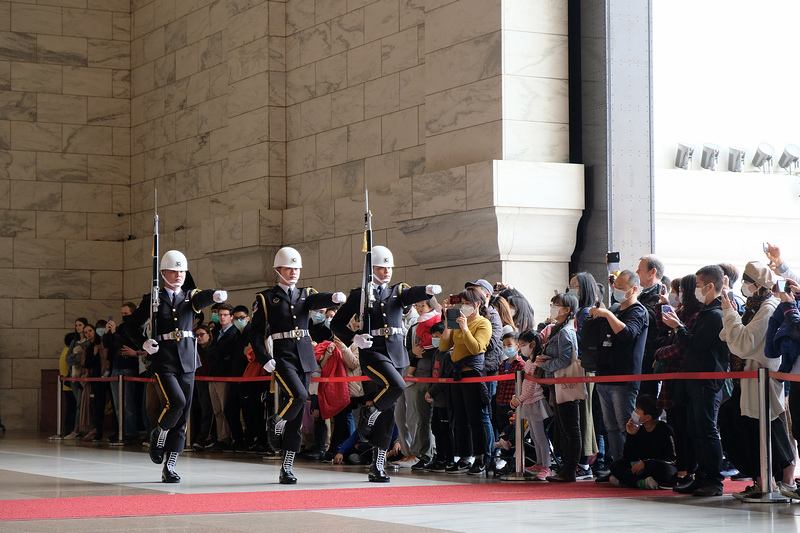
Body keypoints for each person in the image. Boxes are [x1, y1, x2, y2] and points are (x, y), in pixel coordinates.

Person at [330, 245, 440, 482]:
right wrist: (354, 338)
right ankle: (369, 412)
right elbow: (336, 323)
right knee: (397, 386)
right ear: (371, 270)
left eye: (389, 267)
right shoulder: (361, 295)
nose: (387, 271)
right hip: (374, 353)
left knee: (388, 414)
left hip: (397, 355)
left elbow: (411, 295)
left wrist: (427, 290)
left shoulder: (398, 291)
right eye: (381, 267)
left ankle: (377, 465)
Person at [124, 250, 227, 483]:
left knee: (183, 413)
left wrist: (216, 296)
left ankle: (170, 465)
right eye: (174, 271)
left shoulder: (191, 297)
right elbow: (130, 327)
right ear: (163, 273)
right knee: (176, 402)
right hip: (164, 360)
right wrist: (143, 343)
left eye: (182, 271)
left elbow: (204, 297)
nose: (179, 275)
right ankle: (159, 433)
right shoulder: (153, 297)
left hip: (188, 359)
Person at [249, 246, 345, 484]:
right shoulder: (265, 298)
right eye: (288, 268)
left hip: (304, 355)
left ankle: (287, 467)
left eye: (296, 269)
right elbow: (255, 333)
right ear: (278, 270)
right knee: (299, 396)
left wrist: (332, 298)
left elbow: (317, 299)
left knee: (297, 416)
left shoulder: (305, 294)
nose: (293, 272)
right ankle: (276, 421)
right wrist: (264, 358)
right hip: (282, 356)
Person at [718, 261, 793, 499]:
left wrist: (729, 313)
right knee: (744, 427)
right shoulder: (754, 306)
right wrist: (731, 314)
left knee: (768, 430)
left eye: (748, 283)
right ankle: (762, 480)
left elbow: (743, 343)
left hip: (762, 378)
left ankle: (777, 481)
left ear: (759, 285)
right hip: (748, 378)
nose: (744, 287)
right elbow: (730, 336)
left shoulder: (769, 307)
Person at [662, 265, 728, 497]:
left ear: (711, 286)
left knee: (706, 430)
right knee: (695, 429)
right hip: (693, 379)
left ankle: (714, 480)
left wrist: (678, 327)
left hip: (706, 380)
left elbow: (696, 345)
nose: (695, 291)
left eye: (699, 286)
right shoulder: (706, 312)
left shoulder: (716, 315)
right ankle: (701, 476)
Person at [589, 270, 648, 469]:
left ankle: (632, 464)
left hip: (624, 378)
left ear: (634, 289)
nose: (616, 291)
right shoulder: (616, 309)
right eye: (615, 287)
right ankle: (617, 465)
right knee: (610, 427)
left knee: (626, 426)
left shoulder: (638, 311)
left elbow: (627, 334)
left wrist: (607, 314)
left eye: (622, 288)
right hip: (605, 374)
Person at [438, 286, 492, 475]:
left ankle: (480, 456)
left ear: (478, 304)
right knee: (459, 417)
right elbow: (444, 346)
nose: (464, 306)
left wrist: (464, 328)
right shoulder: (457, 321)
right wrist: (447, 323)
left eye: (468, 303)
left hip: (473, 373)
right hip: (456, 373)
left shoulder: (483, 323)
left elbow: (477, 348)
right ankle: (465, 455)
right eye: (463, 303)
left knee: (474, 417)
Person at [538, 293, 582, 482]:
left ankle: (570, 469)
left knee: (571, 428)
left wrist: (544, 365)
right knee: (565, 427)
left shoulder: (565, 332)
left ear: (567, 310)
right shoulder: (558, 329)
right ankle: (566, 468)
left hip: (565, 381)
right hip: (557, 382)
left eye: (557, 305)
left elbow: (566, 359)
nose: (553, 307)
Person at [608, 394, 677, 489]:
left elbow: (672, 459)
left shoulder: (665, 430)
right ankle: (640, 482)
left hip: (658, 466)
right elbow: (629, 457)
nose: (634, 412)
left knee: (663, 469)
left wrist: (646, 463)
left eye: (637, 410)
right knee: (616, 464)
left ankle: (628, 481)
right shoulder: (640, 429)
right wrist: (631, 435)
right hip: (642, 467)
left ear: (648, 417)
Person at [509, 329, 552, 480]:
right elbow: (525, 385)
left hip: (535, 401)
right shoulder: (528, 362)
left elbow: (531, 388)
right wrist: (519, 398)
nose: (521, 347)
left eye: (523, 344)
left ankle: (547, 466)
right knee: (534, 435)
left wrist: (518, 399)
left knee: (540, 436)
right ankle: (539, 463)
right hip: (527, 401)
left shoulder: (536, 363)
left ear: (533, 344)